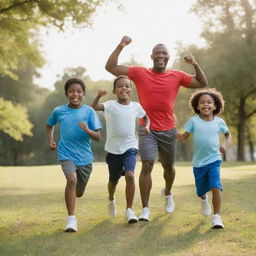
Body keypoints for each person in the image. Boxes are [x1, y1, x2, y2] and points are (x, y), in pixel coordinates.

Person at [105, 35, 208, 221]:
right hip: (147, 128)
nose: (160, 56)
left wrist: (195, 64)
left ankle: (167, 193)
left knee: (169, 167)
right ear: (151, 56)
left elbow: (202, 83)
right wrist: (121, 45)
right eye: (157, 53)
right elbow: (110, 67)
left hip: (168, 129)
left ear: (168, 57)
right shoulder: (139, 73)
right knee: (147, 165)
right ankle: (145, 209)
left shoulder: (176, 75)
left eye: (164, 53)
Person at [92, 75, 150, 224]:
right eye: (120, 86)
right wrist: (98, 95)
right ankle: (111, 198)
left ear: (131, 89)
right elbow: (94, 107)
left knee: (130, 175)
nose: (124, 88)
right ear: (114, 90)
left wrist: (147, 126)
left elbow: (146, 117)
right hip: (113, 149)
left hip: (130, 146)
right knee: (113, 181)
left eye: (127, 85)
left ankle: (129, 210)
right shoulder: (110, 105)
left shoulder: (136, 106)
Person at [46, 78, 102, 232]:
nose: (75, 94)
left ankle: (76, 191)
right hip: (66, 153)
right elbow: (49, 125)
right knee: (71, 179)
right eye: (71, 91)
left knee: (79, 191)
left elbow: (98, 137)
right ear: (66, 94)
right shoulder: (59, 111)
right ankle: (71, 219)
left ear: (83, 94)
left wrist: (88, 130)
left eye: (78, 91)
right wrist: (51, 140)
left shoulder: (89, 112)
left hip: (85, 158)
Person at [176, 88, 231, 229]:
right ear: (197, 106)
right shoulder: (193, 121)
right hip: (198, 162)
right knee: (201, 190)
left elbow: (227, 134)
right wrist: (174, 132)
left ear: (215, 106)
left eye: (209, 102)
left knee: (215, 185)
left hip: (214, 159)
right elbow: (183, 138)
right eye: (202, 102)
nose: (205, 105)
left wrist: (225, 145)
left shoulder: (219, 122)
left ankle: (217, 217)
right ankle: (203, 199)